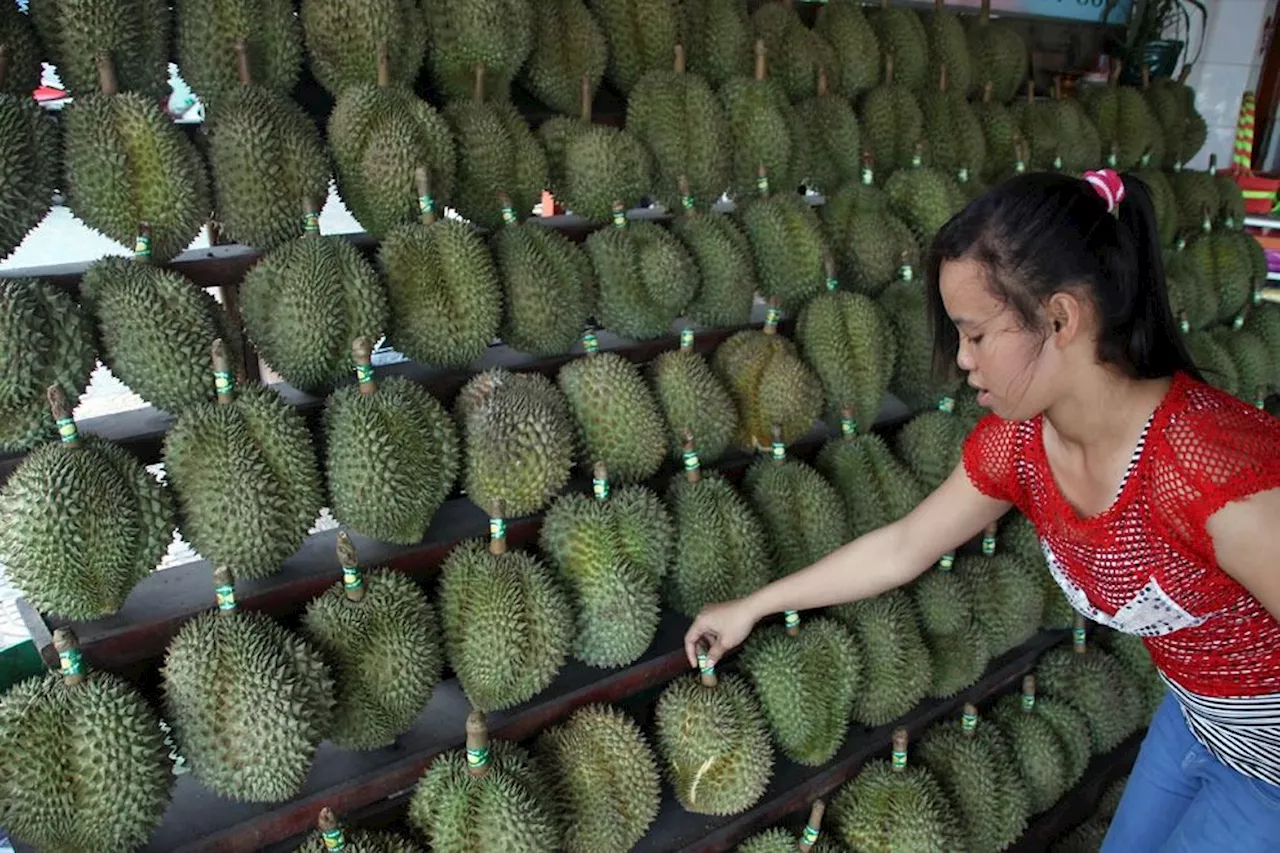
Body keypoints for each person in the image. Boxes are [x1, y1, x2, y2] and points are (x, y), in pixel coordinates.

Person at [683, 168, 1280, 851]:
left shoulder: (1212, 472)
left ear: (1060, 318)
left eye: (975, 334)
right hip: (1196, 722)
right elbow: (905, 545)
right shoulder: (1023, 445)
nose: (963, 360)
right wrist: (753, 604)